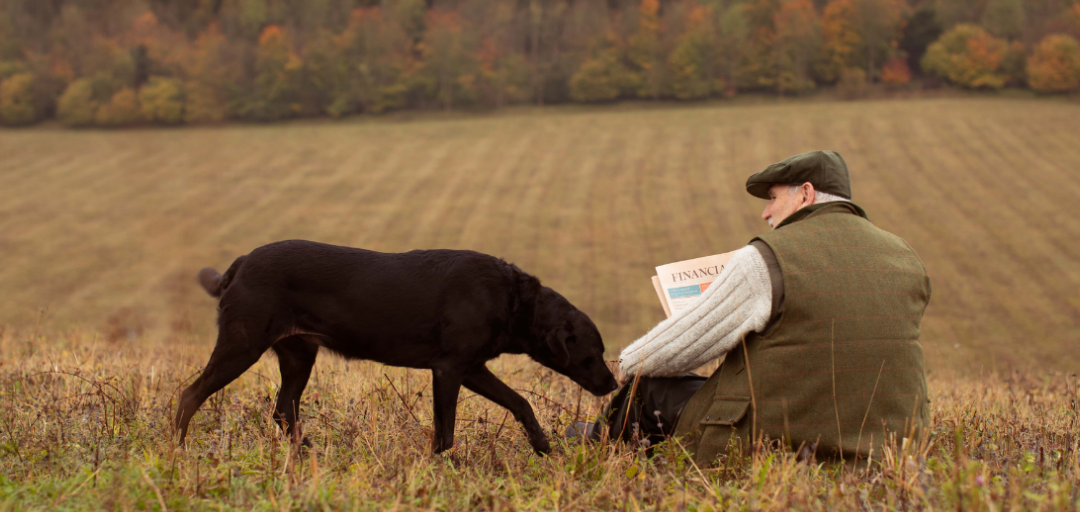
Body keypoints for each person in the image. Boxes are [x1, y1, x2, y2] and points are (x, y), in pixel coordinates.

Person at [568, 150, 931, 466]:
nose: (765, 213)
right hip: (891, 444)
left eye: (772, 198)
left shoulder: (767, 258)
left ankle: (600, 447)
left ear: (805, 193)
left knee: (649, 385)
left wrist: (625, 365)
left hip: (783, 441)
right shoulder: (904, 255)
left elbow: (671, 351)